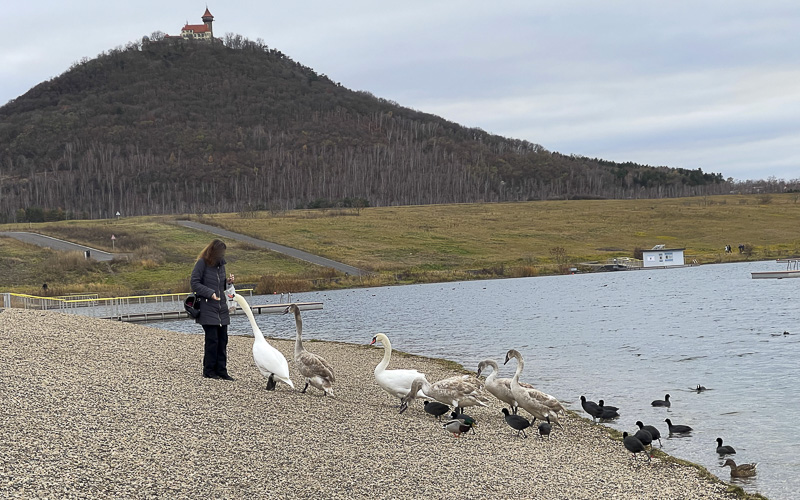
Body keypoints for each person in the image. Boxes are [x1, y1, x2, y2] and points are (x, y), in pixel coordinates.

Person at [191, 239, 235, 380]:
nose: (222, 255)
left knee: (223, 340)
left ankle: (222, 370)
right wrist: (210, 293)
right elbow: (194, 283)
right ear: (213, 251)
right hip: (207, 306)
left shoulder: (221, 266)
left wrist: (227, 283)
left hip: (221, 307)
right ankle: (209, 370)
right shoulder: (202, 263)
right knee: (212, 340)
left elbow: (220, 286)